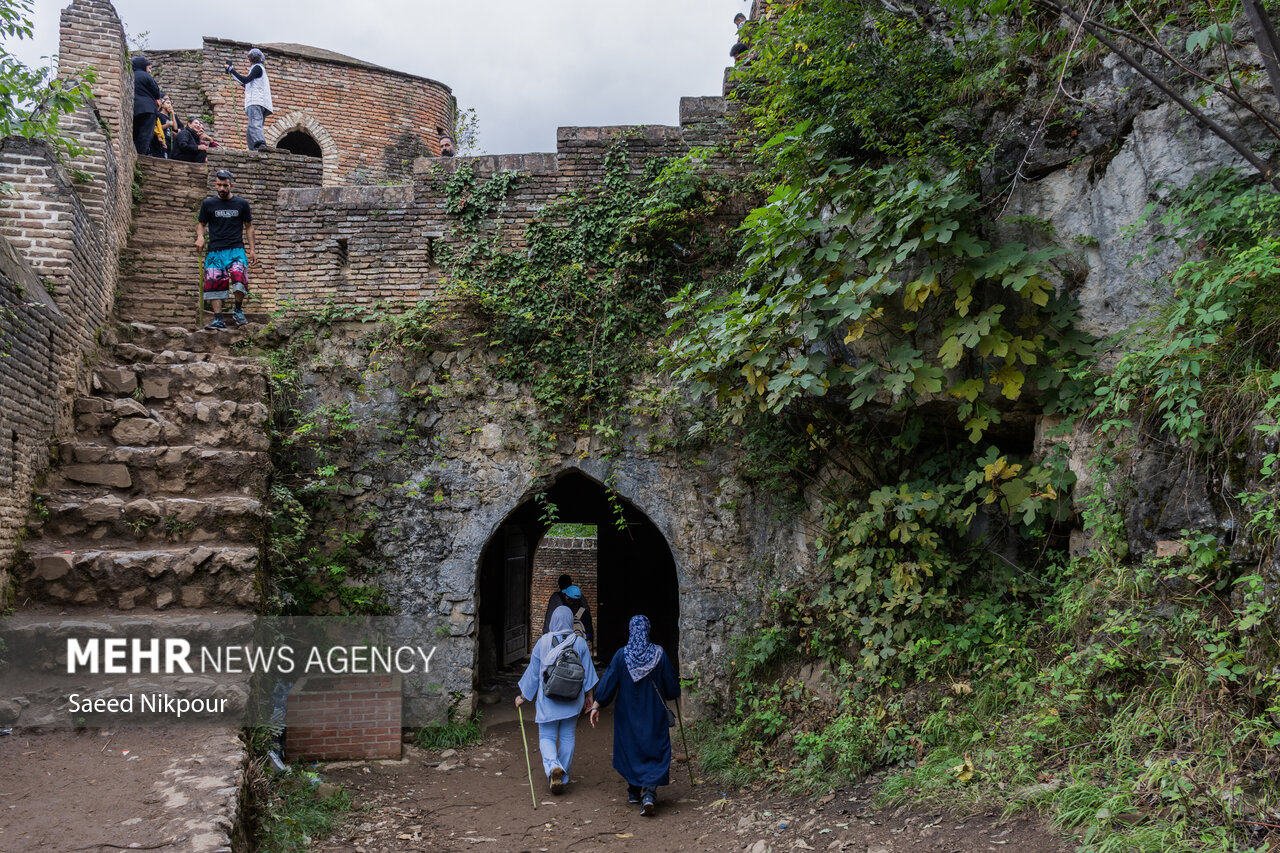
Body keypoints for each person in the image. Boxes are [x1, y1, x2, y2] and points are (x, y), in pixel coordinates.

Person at [590, 614, 680, 817]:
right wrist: (674, 693)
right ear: (648, 631)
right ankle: (649, 793)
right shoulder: (660, 654)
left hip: (627, 715)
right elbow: (672, 688)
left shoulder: (622, 656)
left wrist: (597, 704)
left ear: (631, 631)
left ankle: (633, 791)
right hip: (654, 713)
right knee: (654, 749)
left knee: (630, 749)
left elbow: (610, 680)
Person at [516, 606, 598, 795]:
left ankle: (553, 766)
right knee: (568, 736)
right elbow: (587, 674)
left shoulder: (543, 642)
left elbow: (533, 674)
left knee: (547, 737)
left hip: (548, 700)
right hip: (572, 699)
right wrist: (589, 697)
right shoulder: (580, 643)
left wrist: (523, 696)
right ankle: (564, 776)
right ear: (571, 622)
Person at [195, 169, 257, 330]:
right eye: (219, 185)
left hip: (236, 250)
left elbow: (249, 227)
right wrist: (200, 237)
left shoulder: (242, 204)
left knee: (239, 279)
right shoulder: (208, 204)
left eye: (225, 185)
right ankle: (218, 319)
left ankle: (237, 310)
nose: (222, 189)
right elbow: (201, 224)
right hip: (215, 250)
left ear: (231, 185)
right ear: (215, 184)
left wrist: (252, 250)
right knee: (214, 284)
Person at [226, 48, 274, 151]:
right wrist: (233, 74)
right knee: (250, 131)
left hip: (256, 101)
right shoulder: (260, 69)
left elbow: (246, 80)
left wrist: (231, 70)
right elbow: (246, 84)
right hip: (261, 102)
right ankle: (253, 150)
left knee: (254, 125)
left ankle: (261, 145)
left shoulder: (257, 68)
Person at [543, 575, 594, 644]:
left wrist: (546, 634)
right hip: (580, 639)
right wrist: (589, 637)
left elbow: (549, 617)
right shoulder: (581, 598)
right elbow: (588, 623)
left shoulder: (556, 598)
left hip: (561, 639)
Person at [131, 55, 162, 156]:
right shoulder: (146, 76)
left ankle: (134, 151)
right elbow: (157, 93)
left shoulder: (131, 75)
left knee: (135, 132)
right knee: (146, 134)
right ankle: (141, 155)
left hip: (135, 108)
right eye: (149, 68)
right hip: (148, 109)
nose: (149, 71)